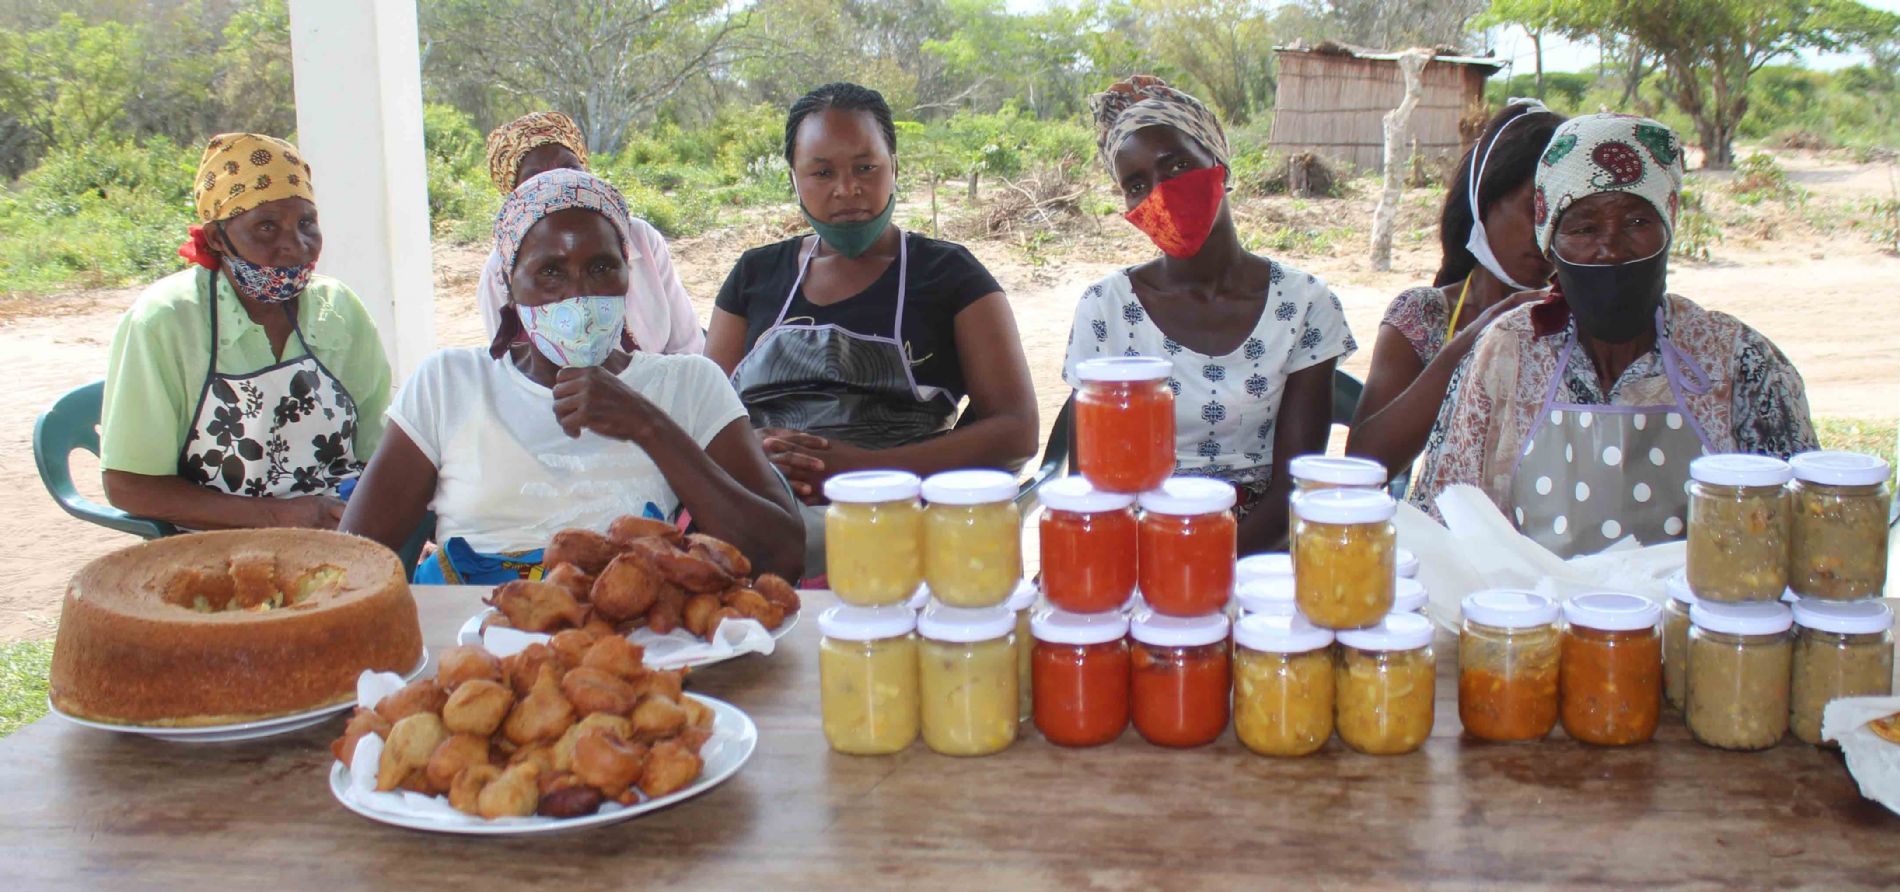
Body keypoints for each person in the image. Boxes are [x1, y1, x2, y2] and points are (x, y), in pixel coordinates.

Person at [341, 169, 802, 582]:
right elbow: (352, 562)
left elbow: (781, 556)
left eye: (601, 268)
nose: (579, 295)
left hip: (626, 634)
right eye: (550, 272)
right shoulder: (448, 384)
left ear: (628, 274)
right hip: (473, 632)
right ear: (511, 286)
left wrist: (648, 426)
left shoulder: (688, 384)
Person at [1409, 113, 1819, 557]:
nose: (1611, 249)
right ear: (1550, 242)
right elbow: (1441, 525)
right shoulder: (1509, 351)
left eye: (1637, 222)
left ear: (1669, 225)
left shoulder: (1736, 358)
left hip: (1699, 602)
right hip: (1534, 602)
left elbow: (1801, 534)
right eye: (1584, 228)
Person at [704, 82, 1038, 574]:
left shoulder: (949, 275)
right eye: (822, 172)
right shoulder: (754, 275)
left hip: (896, 518)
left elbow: (1016, 430)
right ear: (794, 178)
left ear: (894, 168)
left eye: (865, 168)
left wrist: (861, 470)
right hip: (758, 508)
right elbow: (705, 415)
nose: (847, 189)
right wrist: (754, 451)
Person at [1064, 75, 1356, 554]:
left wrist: (1202, 564)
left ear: (1219, 162)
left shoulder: (1303, 303)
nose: (1160, 193)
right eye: (1136, 184)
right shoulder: (1106, 308)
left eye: (1178, 165)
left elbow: (1293, 486)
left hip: (1259, 547)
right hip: (1135, 545)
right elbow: (1089, 484)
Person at [99, 133, 392, 530]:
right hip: (218, 544)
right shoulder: (165, 322)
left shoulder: (339, 310)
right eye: (266, 227)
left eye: (306, 222)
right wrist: (282, 517)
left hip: (336, 528)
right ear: (217, 237)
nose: (296, 245)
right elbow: (128, 485)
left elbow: (376, 451)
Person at [1346, 101, 1566, 481]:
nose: (1545, 236)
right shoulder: (1426, 317)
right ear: (1485, 201)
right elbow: (1364, 466)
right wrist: (1477, 338)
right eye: (1535, 210)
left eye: (1563, 218)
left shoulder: (1576, 324)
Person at [477, 111, 704, 355]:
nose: (561, 182)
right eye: (537, 178)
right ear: (516, 198)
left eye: (570, 168)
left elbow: (687, 346)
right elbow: (511, 367)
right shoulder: (499, 271)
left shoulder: (641, 238)